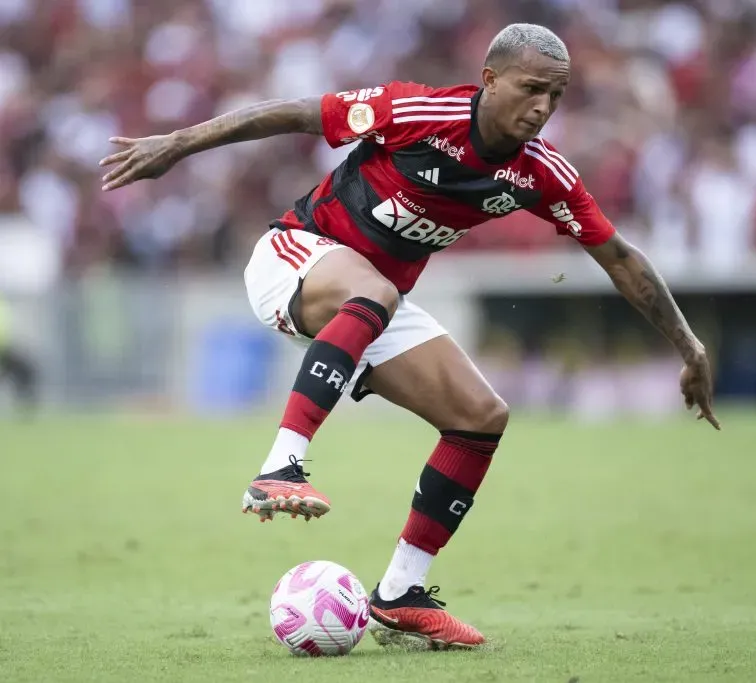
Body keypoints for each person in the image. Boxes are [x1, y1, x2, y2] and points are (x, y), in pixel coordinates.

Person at [99, 23, 719, 650]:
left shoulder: (538, 174)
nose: (542, 107)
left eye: (555, 96)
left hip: (375, 299)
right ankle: (279, 467)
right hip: (297, 255)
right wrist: (177, 143)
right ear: (489, 80)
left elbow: (619, 257)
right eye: (532, 89)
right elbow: (293, 113)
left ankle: (400, 593)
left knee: (480, 415)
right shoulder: (417, 111)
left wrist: (688, 346)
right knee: (376, 292)